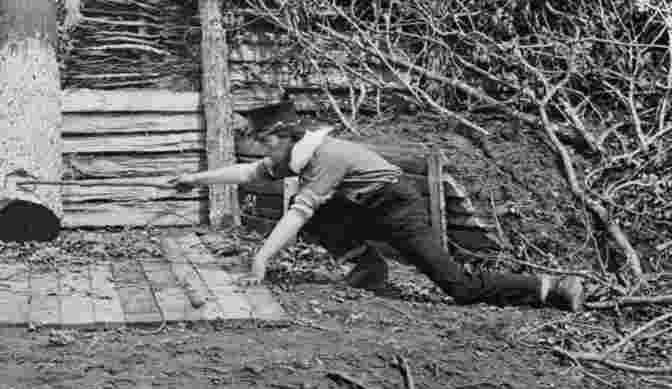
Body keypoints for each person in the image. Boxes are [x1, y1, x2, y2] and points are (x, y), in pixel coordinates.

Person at [171, 101, 584, 311]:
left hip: (399, 207)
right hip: (369, 207)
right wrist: (194, 179)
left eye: (266, 143)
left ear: (285, 137)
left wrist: (261, 259)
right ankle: (369, 268)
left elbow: (296, 214)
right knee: (324, 217)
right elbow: (248, 175)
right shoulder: (297, 156)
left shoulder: (325, 158)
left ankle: (548, 288)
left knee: (456, 286)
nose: (263, 151)